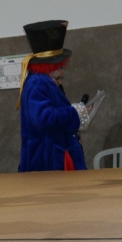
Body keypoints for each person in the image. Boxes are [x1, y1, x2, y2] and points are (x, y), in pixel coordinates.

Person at [17, 20, 88, 172]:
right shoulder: (38, 82)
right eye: (60, 67)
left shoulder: (40, 81)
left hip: (53, 156)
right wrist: (74, 112)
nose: (62, 73)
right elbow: (44, 118)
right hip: (49, 160)